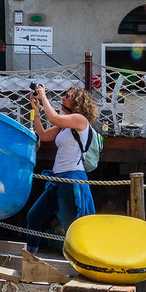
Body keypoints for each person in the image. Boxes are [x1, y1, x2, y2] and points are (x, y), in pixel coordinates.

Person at [24, 83, 98, 249]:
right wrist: (36, 110)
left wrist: (43, 96)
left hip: (72, 179)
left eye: (67, 96)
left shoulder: (80, 120)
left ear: (77, 102)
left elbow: (54, 118)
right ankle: (30, 258)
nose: (63, 98)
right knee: (34, 216)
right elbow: (43, 135)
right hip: (57, 179)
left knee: (71, 226)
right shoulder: (64, 126)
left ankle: (80, 267)